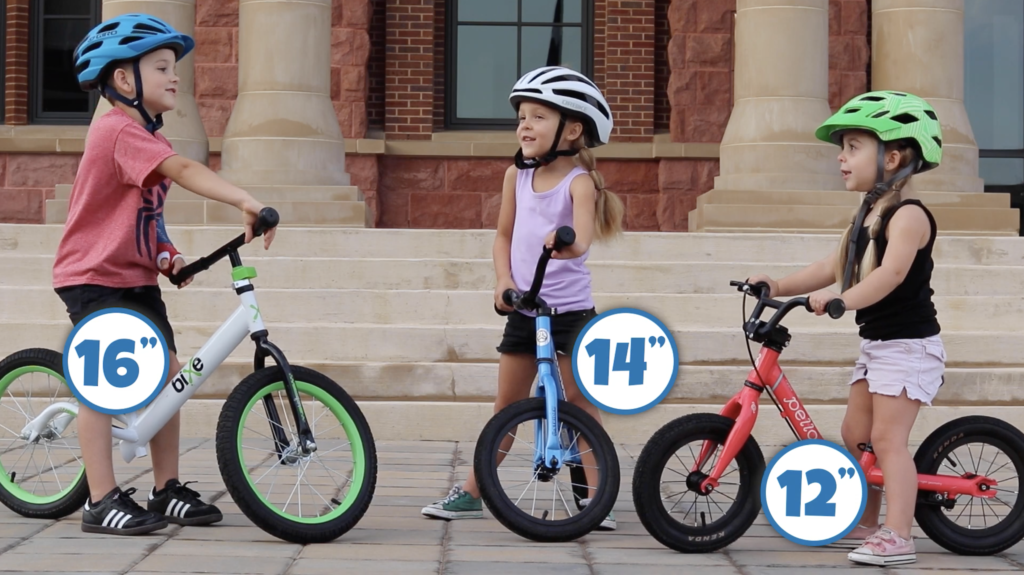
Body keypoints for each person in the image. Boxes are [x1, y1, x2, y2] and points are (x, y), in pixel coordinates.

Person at [54, 14, 276, 535]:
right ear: (124, 80)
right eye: (160, 67)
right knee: (105, 386)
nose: (174, 77)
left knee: (168, 377)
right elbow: (184, 169)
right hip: (93, 275)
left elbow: (144, 216)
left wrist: (166, 255)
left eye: (174, 67)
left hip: (132, 275)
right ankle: (101, 498)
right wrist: (244, 198)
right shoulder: (117, 129)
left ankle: (164, 488)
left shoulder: (143, 135)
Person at [420, 66, 624, 530]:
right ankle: (472, 491)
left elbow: (583, 241)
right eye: (522, 118)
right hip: (525, 309)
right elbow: (503, 235)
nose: (525, 125)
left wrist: (562, 240)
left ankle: (598, 501)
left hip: (571, 313)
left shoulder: (580, 183)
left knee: (579, 407)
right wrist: (501, 282)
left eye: (538, 117)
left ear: (572, 129)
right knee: (508, 407)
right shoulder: (516, 175)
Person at [749, 91, 946, 566]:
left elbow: (890, 275)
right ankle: (866, 521)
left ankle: (899, 534)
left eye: (853, 146)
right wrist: (777, 282)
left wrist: (842, 300)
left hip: (910, 345)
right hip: (878, 344)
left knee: (886, 440)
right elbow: (832, 265)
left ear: (893, 157)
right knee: (855, 432)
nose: (842, 156)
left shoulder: (909, 215)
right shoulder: (868, 213)